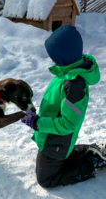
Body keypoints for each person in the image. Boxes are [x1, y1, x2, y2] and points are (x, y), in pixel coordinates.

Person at [21, 24, 106, 188]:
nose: (51, 60)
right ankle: (92, 149)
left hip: (57, 141)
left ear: (64, 56)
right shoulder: (66, 70)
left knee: (46, 179)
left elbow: (68, 123)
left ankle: (92, 160)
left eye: (54, 56)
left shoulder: (72, 84)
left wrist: (37, 123)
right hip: (52, 136)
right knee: (51, 162)